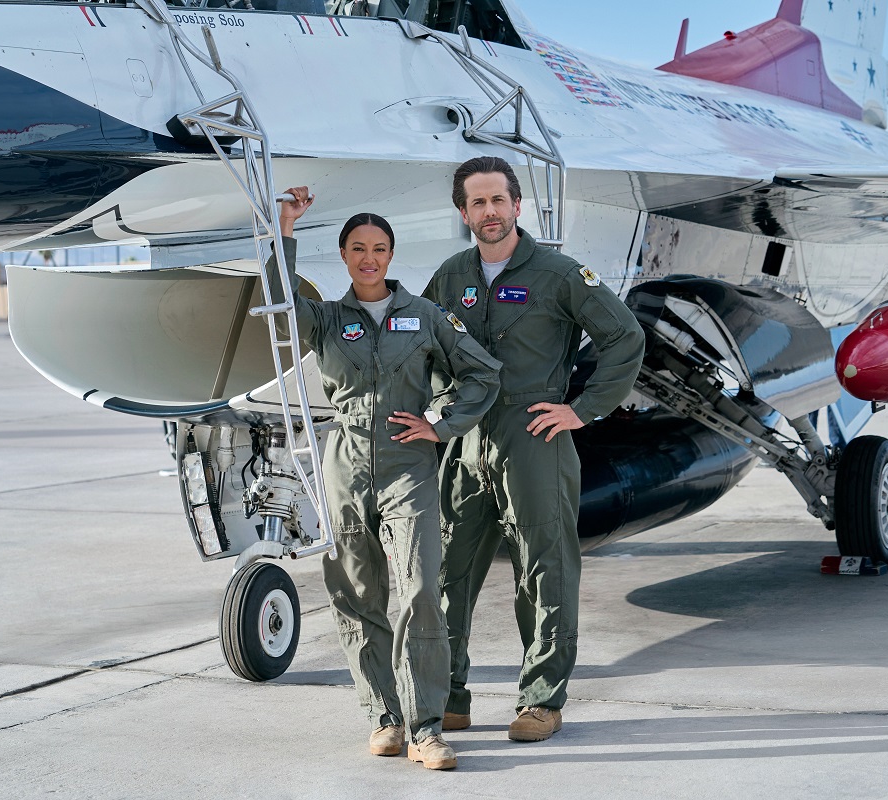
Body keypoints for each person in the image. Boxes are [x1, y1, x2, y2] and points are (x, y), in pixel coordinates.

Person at [266, 187, 501, 770]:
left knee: (420, 589)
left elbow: (482, 374)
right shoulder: (325, 318)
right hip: (345, 464)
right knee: (357, 593)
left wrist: (440, 424)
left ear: (391, 256)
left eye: (379, 248)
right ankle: (383, 716)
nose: (369, 258)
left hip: (408, 469)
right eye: (357, 249)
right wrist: (284, 230)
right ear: (344, 256)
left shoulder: (424, 317)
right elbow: (277, 301)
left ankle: (426, 728)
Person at [423, 157, 646, 742]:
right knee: (449, 569)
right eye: (477, 203)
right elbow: (421, 347)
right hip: (466, 437)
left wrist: (583, 407)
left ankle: (541, 700)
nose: (489, 212)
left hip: (535, 435)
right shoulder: (450, 276)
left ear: (517, 205)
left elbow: (624, 336)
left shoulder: (560, 273)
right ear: (463, 212)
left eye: (498, 200)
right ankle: (448, 696)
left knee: (542, 569)